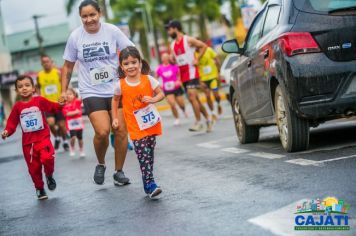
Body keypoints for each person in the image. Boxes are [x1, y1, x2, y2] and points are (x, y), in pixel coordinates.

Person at [60, 0, 134, 185]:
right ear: (81, 18)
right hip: (91, 90)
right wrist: (63, 91)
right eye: (84, 16)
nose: (89, 19)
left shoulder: (112, 31)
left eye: (92, 14)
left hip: (115, 88)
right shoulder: (76, 37)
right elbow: (68, 66)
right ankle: (101, 164)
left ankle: (119, 172)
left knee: (120, 130)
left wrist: (136, 75)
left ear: (99, 13)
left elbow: (131, 51)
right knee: (102, 131)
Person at [112, 46, 164, 199]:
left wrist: (153, 99)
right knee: (143, 155)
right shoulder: (120, 84)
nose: (131, 66)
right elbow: (114, 101)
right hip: (135, 127)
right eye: (126, 64)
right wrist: (115, 118)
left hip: (150, 123)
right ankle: (150, 184)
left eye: (134, 62)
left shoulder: (148, 79)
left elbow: (161, 93)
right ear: (121, 66)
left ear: (140, 63)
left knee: (150, 153)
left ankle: (147, 180)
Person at [1, 75, 63, 200]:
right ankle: (39, 188)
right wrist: (7, 131)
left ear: (33, 88)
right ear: (16, 90)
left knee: (48, 158)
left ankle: (49, 175)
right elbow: (12, 123)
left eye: (27, 85)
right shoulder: (17, 107)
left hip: (43, 138)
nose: (24, 88)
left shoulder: (39, 100)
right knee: (33, 168)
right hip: (28, 144)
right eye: (20, 86)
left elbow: (52, 107)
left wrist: (60, 104)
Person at [165, 20, 212, 132]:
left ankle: (198, 122)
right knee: (194, 99)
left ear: (176, 28)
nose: (168, 32)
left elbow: (203, 46)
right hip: (183, 74)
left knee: (191, 96)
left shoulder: (188, 39)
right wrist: (172, 59)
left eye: (169, 29)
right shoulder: (172, 45)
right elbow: (174, 60)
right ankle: (208, 119)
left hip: (192, 71)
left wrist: (197, 58)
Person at [37, 55, 69, 151]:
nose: (46, 63)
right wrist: (39, 97)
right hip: (47, 104)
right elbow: (38, 87)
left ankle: (65, 141)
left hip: (58, 103)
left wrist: (64, 94)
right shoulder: (40, 75)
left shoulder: (57, 73)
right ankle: (57, 137)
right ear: (42, 64)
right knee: (51, 124)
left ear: (51, 62)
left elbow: (64, 84)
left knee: (62, 125)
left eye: (48, 61)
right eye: (44, 62)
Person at [156, 53, 187, 126]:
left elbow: (179, 75)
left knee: (181, 103)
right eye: (163, 57)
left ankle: (183, 109)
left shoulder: (174, 66)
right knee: (172, 104)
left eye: (166, 57)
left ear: (168, 58)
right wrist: (159, 85)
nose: (165, 59)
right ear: (162, 59)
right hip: (167, 89)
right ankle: (177, 118)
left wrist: (178, 81)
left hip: (176, 87)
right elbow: (156, 78)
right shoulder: (159, 68)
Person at [195, 46, 223, 121]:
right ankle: (213, 112)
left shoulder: (208, 50)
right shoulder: (194, 54)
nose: (196, 47)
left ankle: (218, 104)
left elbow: (217, 59)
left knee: (216, 95)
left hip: (213, 77)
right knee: (207, 96)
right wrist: (198, 80)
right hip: (203, 79)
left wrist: (219, 71)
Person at [62, 88, 85, 157]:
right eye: (67, 95)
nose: (68, 96)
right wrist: (76, 112)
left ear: (74, 95)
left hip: (79, 124)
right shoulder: (64, 105)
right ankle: (72, 147)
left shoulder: (77, 102)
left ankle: (81, 149)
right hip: (71, 125)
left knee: (80, 138)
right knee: (73, 137)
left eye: (70, 94)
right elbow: (67, 114)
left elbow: (82, 98)